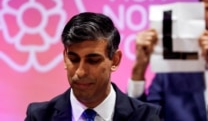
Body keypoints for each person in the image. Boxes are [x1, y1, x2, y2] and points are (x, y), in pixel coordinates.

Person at [24, 12, 162, 121]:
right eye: (73, 59)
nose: (80, 72)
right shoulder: (39, 117)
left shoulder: (148, 117)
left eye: (93, 61)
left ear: (115, 60)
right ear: (65, 58)